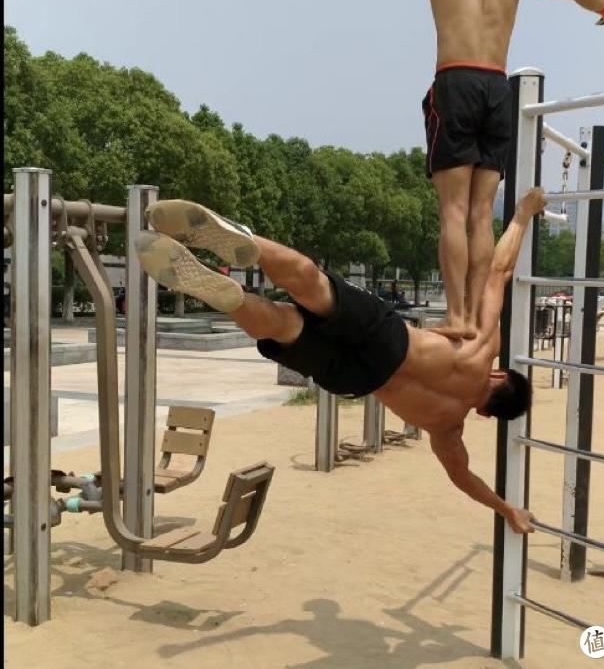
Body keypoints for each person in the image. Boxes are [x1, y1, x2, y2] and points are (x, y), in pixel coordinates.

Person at [264, 0, 604, 337]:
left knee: (454, 212)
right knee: (482, 214)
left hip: (456, 82)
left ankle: (457, 317)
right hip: (498, 88)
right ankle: (476, 317)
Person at [135, 188, 549, 534]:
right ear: (486, 412)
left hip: (390, 340)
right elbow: (463, 479)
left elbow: (499, 271)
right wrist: (506, 509)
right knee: (282, 326)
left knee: (311, 283)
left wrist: (522, 215)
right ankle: (232, 299)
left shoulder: (481, 349)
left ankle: (247, 241)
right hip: (356, 378)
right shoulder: (447, 428)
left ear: (499, 374)